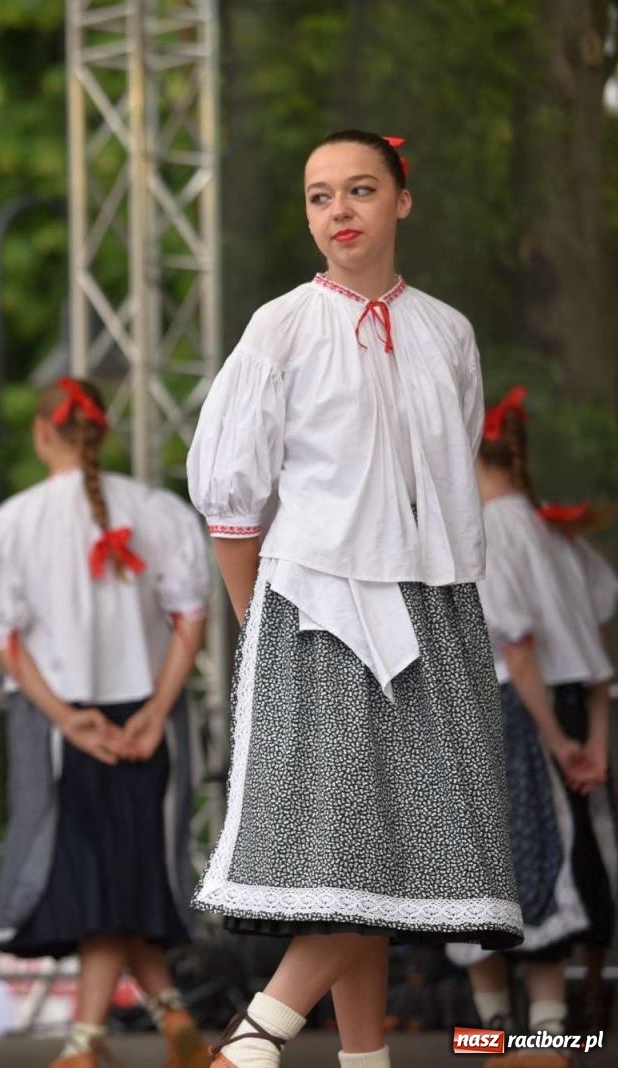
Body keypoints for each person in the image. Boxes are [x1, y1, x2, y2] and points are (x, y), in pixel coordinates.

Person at [186, 131, 522, 1068]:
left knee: (395, 855)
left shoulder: (448, 332)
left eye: (361, 191)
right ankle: (257, 1037)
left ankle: (358, 1058)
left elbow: (448, 475)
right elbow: (230, 497)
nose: (339, 212)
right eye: (320, 196)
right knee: (350, 858)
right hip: (317, 609)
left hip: (434, 603)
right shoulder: (282, 326)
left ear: (401, 202)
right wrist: (264, 625)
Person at [0, 378, 210, 1068]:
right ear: (101, 435)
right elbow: (191, 618)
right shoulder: (159, 511)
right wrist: (159, 713)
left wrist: (67, 720)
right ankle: (168, 1015)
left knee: (100, 878)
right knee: (125, 873)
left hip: (61, 720)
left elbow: (2, 639)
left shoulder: (12, 524)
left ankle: (86, 1039)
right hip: (145, 714)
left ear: (44, 434)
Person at [448, 387, 617, 1062]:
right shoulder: (555, 532)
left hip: (517, 721)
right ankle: (551, 1034)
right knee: (559, 872)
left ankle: (501, 1042)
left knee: (496, 878)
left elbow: (517, 652)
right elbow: (595, 648)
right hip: (573, 718)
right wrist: (591, 744)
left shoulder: (484, 535)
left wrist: (553, 740)